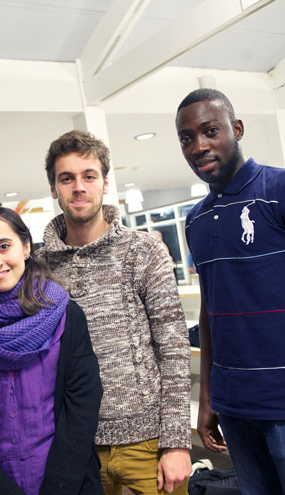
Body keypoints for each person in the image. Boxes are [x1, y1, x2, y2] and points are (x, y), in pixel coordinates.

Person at [38, 130, 192, 495]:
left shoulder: (143, 251)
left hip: (148, 443)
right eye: (67, 178)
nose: (79, 187)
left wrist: (177, 442)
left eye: (89, 176)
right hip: (75, 445)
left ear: (105, 184)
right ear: (53, 189)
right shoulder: (39, 266)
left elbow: (173, 349)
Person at [0, 205, 103, 495]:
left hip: (68, 485)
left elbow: (82, 408)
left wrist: (58, 489)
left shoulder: (67, 316)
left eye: (4, 246)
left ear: (26, 246)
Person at [176, 88, 285, 494]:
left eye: (210, 131)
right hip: (236, 407)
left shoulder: (278, 189)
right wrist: (208, 398)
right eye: (187, 138)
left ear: (236, 130)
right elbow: (210, 312)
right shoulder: (196, 221)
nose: (199, 145)